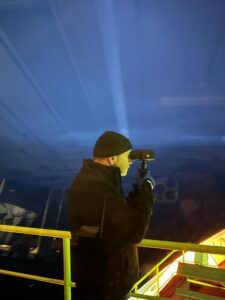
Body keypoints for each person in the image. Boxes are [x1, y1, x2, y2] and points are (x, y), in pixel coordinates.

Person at [67, 130, 155, 300]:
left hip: (94, 279)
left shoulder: (92, 181)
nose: (130, 161)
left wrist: (137, 190)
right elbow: (134, 231)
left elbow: (117, 218)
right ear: (112, 158)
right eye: (127, 156)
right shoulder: (101, 189)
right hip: (105, 286)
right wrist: (146, 188)